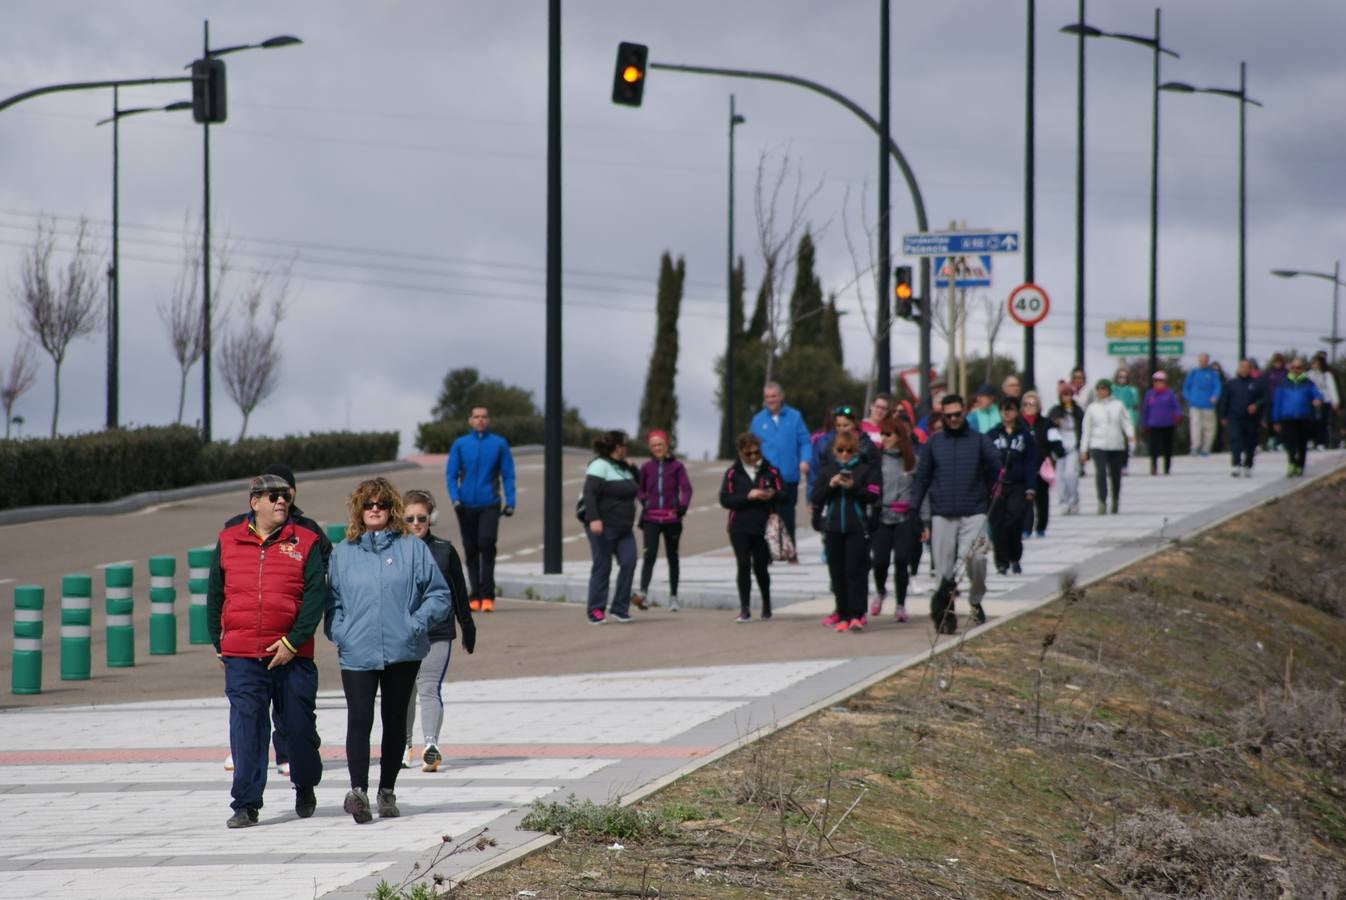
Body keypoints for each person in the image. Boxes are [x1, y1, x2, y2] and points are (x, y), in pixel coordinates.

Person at [326, 477, 451, 824]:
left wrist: (416, 623)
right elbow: (331, 601)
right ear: (359, 510)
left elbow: (439, 594)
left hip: (403, 648)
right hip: (357, 650)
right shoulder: (344, 552)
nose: (375, 509)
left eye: (381, 503)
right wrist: (341, 633)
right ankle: (358, 792)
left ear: (392, 508)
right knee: (360, 717)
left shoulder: (412, 548)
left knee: (394, 721)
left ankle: (387, 790)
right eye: (368, 504)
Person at [207, 472, 326, 829]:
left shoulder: (306, 540)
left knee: (298, 727)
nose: (280, 502)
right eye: (272, 496)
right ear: (254, 502)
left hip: (293, 655)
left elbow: (316, 597)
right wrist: (219, 642)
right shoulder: (228, 540)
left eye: (285, 496)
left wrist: (292, 642)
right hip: (243, 656)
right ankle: (245, 803)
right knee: (247, 727)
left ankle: (305, 783)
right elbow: (215, 594)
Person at [909, 394, 1003, 628]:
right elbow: (921, 478)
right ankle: (945, 615)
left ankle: (975, 599)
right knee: (944, 569)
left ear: (964, 413)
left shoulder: (979, 441)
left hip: (974, 510)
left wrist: (1000, 482)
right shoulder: (934, 443)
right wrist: (914, 510)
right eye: (948, 415)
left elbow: (998, 467)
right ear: (943, 416)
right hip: (943, 513)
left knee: (978, 559)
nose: (953, 419)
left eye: (957, 414)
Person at [401, 489, 475, 775]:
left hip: (438, 631)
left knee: (429, 687)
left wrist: (467, 627)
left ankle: (430, 746)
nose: (417, 523)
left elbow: (459, 592)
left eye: (422, 517)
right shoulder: (393, 550)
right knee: (404, 691)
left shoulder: (444, 550)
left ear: (430, 518)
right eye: (410, 518)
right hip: (402, 633)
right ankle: (404, 744)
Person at [445, 406, 516, 613]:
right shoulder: (460, 444)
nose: (480, 420)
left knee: (487, 544)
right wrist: (455, 499)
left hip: (490, 504)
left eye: (484, 417)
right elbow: (451, 475)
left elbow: (508, 474)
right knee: (471, 549)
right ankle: (474, 595)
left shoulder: (499, 444)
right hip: (465, 505)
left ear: (489, 420)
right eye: (476, 417)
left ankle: (488, 595)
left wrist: (510, 501)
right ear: (470, 420)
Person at [812, 431, 881, 632]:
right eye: (840, 450)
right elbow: (816, 497)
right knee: (837, 573)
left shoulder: (865, 470)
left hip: (856, 527)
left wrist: (854, 486)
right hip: (833, 528)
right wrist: (830, 485)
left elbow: (875, 495)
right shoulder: (828, 470)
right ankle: (842, 614)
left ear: (855, 451)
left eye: (849, 451)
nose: (844, 454)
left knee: (855, 570)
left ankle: (857, 614)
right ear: (835, 451)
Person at [719, 432, 782, 622]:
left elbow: (784, 494)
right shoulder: (732, 473)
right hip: (739, 526)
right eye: (749, 454)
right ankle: (745, 608)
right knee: (743, 565)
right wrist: (749, 495)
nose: (754, 457)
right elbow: (725, 499)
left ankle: (766, 604)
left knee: (761, 568)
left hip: (763, 527)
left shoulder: (771, 471)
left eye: (757, 453)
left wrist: (771, 494)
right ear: (740, 452)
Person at [582, 430, 640, 624]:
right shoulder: (599, 465)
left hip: (624, 527)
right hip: (603, 526)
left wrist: (634, 469)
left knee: (629, 562)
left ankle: (620, 608)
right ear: (618, 447)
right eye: (625, 445)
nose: (627, 448)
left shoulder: (623, 467)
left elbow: (636, 487)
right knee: (602, 566)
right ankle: (596, 609)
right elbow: (589, 493)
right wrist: (594, 519)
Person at [871, 415, 924, 622]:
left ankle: (901, 604)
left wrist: (923, 520)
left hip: (904, 519)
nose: (884, 438)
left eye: (888, 434)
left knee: (902, 560)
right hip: (882, 517)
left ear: (899, 437)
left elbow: (920, 491)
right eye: (882, 433)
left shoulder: (912, 461)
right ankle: (881, 591)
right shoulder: (878, 459)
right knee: (880, 561)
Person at [749, 382, 811, 553]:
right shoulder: (758, 420)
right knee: (765, 514)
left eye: (774, 396)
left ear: (781, 397)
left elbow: (805, 441)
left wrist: (805, 460)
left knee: (787, 514)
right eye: (767, 397)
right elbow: (750, 446)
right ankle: (767, 552)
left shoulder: (794, 417)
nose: (771, 400)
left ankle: (789, 550)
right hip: (765, 477)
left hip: (788, 476)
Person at [635, 430, 693, 611]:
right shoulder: (645, 467)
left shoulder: (677, 467)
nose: (657, 448)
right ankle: (643, 594)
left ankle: (674, 597)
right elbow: (638, 488)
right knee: (649, 556)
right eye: (653, 445)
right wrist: (645, 501)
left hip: (672, 519)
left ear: (667, 444)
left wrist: (682, 507)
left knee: (672, 557)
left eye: (660, 444)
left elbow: (687, 489)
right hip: (651, 518)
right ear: (650, 448)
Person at [986, 397, 1037, 575]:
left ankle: (1015, 557)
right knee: (997, 524)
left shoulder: (1025, 435)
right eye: (1004, 409)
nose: (1008, 413)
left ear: (1017, 412)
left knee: (1013, 521)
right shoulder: (992, 435)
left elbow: (1031, 462)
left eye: (1011, 409)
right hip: (997, 485)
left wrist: (1031, 487)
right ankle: (1001, 562)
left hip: (1018, 484)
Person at [1080, 379, 1134, 514]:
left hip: (1116, 444)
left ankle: (1115, 498)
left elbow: (1126, 422)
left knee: (1116, 474)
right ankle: (1102, 501)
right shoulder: (1092, 408)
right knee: (1101, 473)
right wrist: (1083, 449)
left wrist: (1130, 436)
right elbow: (1086, 429)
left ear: (1109, 390)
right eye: (1099, 389)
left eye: (1104, 389)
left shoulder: (1118, 405)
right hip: (1098, 445)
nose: (1101, 392)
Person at [1271, 356, 1323, 477]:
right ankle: (1291, 462)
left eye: (1298, 367)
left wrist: (1317, 399)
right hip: (1287, 417)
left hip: (1304, 417)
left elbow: (1317, 394)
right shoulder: (1283, 383)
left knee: (1302, 443)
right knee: (1290, 443)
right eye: (1293, 367)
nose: (1295, 370)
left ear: (1303, 369)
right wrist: (1275, 420)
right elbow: (1277, 402)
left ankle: (1300, 465)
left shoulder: (1308, 383)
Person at [1021, 390, 1062, 537]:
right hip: (1025, 468)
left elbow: (1056, 442)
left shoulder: (1046, 423)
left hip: (1042, 467)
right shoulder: (1019, 424)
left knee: (1042, 500)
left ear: (1038, 406)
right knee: (1026, 500)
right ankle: (1026, 528)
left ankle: (1041, 528)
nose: (1029, 406)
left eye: (1032, 404)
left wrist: (1058, 451)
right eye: (1026, 404)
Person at [1219, 358, 1266, 477]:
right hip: (1234, 417)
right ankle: (1236, 464)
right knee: (1235, 441)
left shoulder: (1257, 383)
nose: (1244, 369)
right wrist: (1223, 416)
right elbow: (1224, 400)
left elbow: (1265, 398)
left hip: (1251, 419)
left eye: (1247, 367)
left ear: (1250, 369)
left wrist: (1256, 405)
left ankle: (1247, 465)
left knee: (1250, 443)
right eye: (1242, 367)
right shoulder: (1231, 384)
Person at [1142, 371, 1182, 475]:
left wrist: (1177, 415)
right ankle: (1154, 467)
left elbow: (1176, 407)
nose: (1159, 383)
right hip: (1154, 424)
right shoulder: (1150, 394)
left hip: (1167, 424)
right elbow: (1146, 410)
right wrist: (1144, 423)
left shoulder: (1170, 394)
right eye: (1156, 381)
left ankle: (1167, 468)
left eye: (1161, 381)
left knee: (1167, 447)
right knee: (1154, 447)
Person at [1182, 353, 1222, 456]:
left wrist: (1215, 396)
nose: (1203, 362)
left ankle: (1206, 448)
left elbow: (1217, 386)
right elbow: (1186, 387)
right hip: (1195, 404)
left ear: (1207, 361)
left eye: (1204, 360)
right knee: (1195, 426)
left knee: (1209, 427)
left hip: (1208, 405)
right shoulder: (1193, 373)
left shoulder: (1213, 374)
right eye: (1201, 360)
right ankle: (1195, 447)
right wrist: (1189, 398)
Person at [1306, 353, 1340, 449]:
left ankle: (1321, 442)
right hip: (1312, 402)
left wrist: (1335, 401)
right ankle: (1311, 440)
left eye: (1316, 363)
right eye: (1313, 363)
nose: (1314, 365)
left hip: (1325, 401)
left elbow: (1332, 388)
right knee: (1311, 422)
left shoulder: (1326, 375)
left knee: (1323, 422)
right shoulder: (1308, 375)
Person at [1262, 353, 1288, 449]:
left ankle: (1281, 440)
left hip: (1282, 400)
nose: (1277, 364)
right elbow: (1264, 385)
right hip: (1270, 399)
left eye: (1279, 362)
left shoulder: (1285, 373)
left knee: (1281, 422)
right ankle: (1271, 438)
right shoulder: (1268, 373)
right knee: (1270, 420)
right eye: (1276, 362)